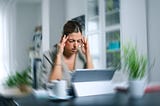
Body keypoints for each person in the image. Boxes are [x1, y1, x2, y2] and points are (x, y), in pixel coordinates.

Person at [39, 20, 93, 89]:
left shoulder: (82, 54)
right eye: (71, 41)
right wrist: (58, 56)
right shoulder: (48, 55)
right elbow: (51, 88)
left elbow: (91, 81)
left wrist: (87, 54)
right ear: (63, 39)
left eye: (78, 41)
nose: (76, 45)